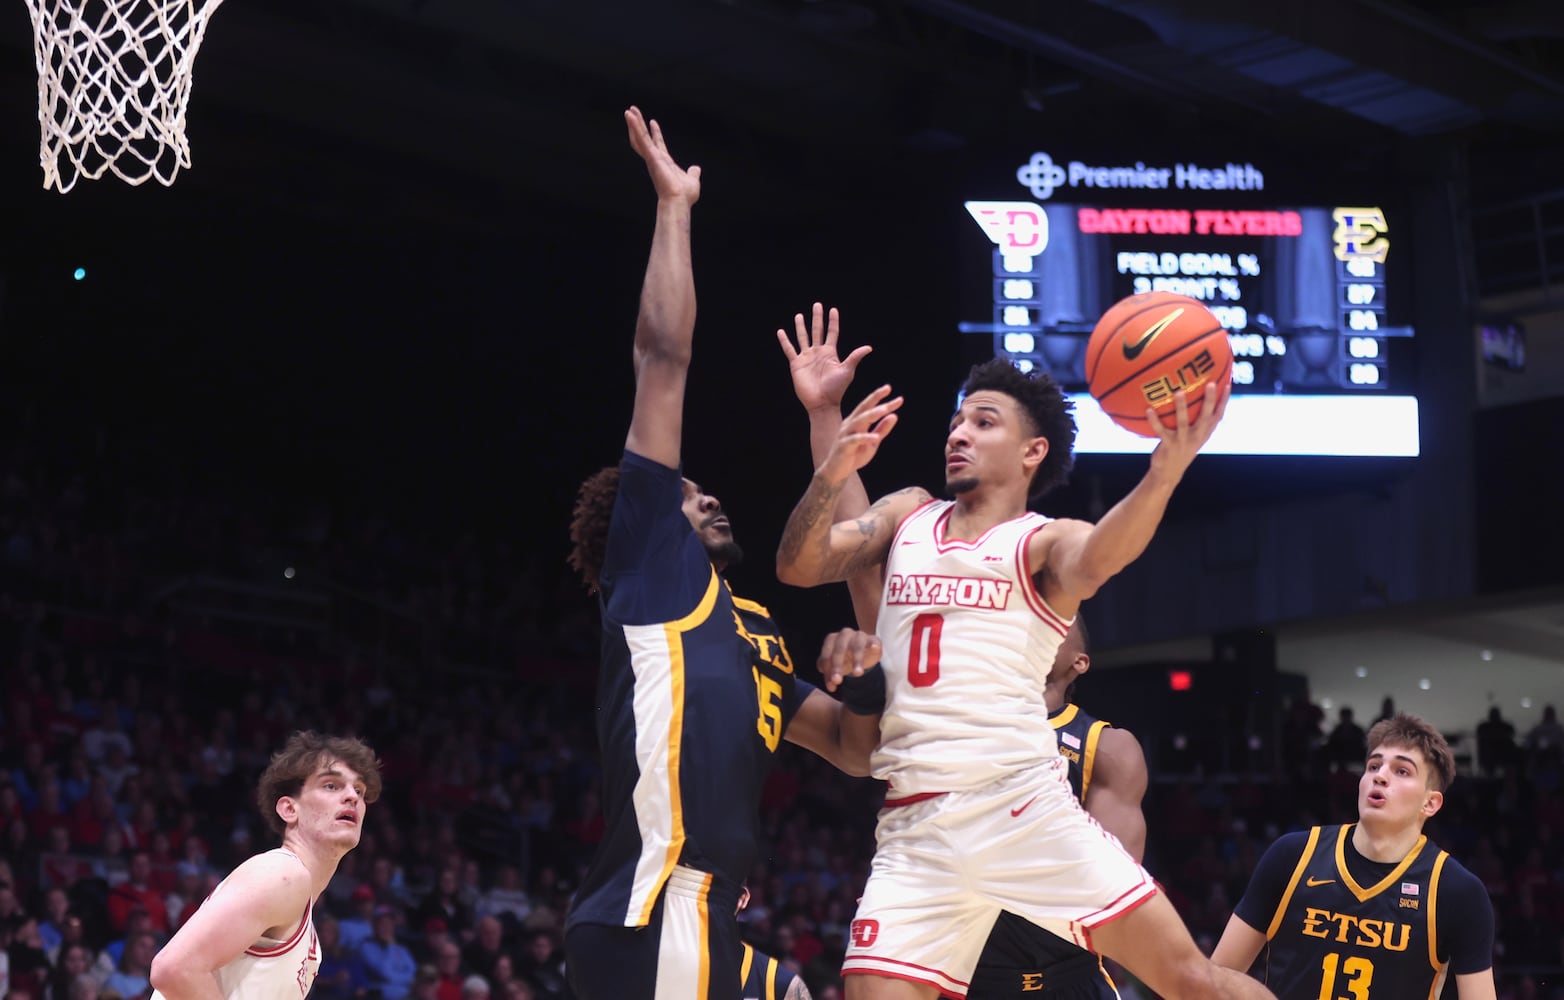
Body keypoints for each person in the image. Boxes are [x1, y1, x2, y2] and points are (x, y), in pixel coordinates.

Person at [776, 356, 1268, 1000]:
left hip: (1021, 810)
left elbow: (1100, 556)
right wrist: (831, 450)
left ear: (1033, 450)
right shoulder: (908, 514)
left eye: (984, 422)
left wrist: (1164, 471)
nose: (958, 433)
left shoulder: (1040, 543)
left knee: (1192, 980)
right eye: (956, 421)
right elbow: (799, 565)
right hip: (916, 829)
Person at [562, 108, 882, 1000]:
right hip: (656, 905)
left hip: (709, 918)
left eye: (704, 490)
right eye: (684, 493)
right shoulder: (651, 573)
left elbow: (857, 751)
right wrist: (675, 205)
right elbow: (662, 358)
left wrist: (866, 677)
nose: (705, 496)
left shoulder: (755, 633)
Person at [1211, 713, 1496, 1000]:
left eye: (1402, 771)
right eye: (1373, 765)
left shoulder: (1457, 891)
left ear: (1430, 803)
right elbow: (1215, 982)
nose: (1380, 776)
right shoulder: (1293, 856)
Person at [147, 731, 382, 1000]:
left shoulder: (308, 933)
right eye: (331, 785)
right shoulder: (282, 874)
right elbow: (174, 969)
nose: (352, 796)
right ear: (289, 809)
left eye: (360, 790)